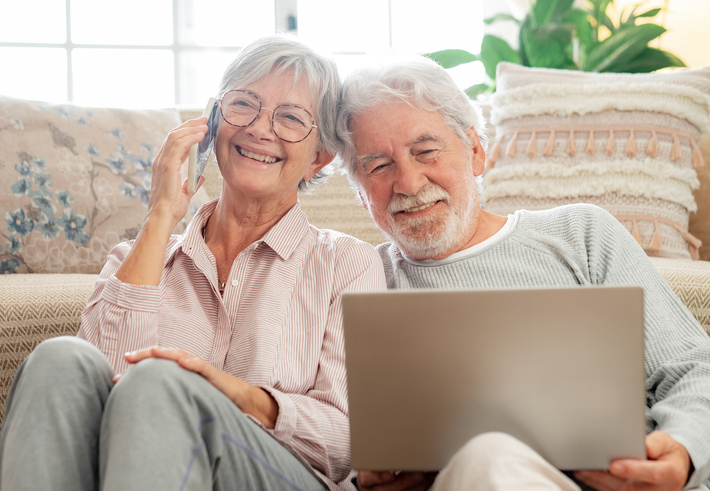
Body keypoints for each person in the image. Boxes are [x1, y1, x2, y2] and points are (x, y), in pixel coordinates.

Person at [0, 35, 385, 491]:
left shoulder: (347, 264)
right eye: (244, 105)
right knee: (58, 359)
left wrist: (231, 395)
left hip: (278, 477)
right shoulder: (138, 259)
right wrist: (162, 213)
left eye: (290, 118)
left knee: (162, 382)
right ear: (212, 123)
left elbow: (347, 440)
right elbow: (98, 399)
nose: (261, 129)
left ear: (318, 159)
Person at [335, 54, 710, 491]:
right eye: (378, 166)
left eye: (426, 151)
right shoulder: (359, 280)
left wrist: (683, 449)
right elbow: (332, 434)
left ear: (475, 152)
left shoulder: (581, 234)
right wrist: (366, 480)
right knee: (486, 457)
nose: (410, 183)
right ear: (361, 193)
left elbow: (694, 365)